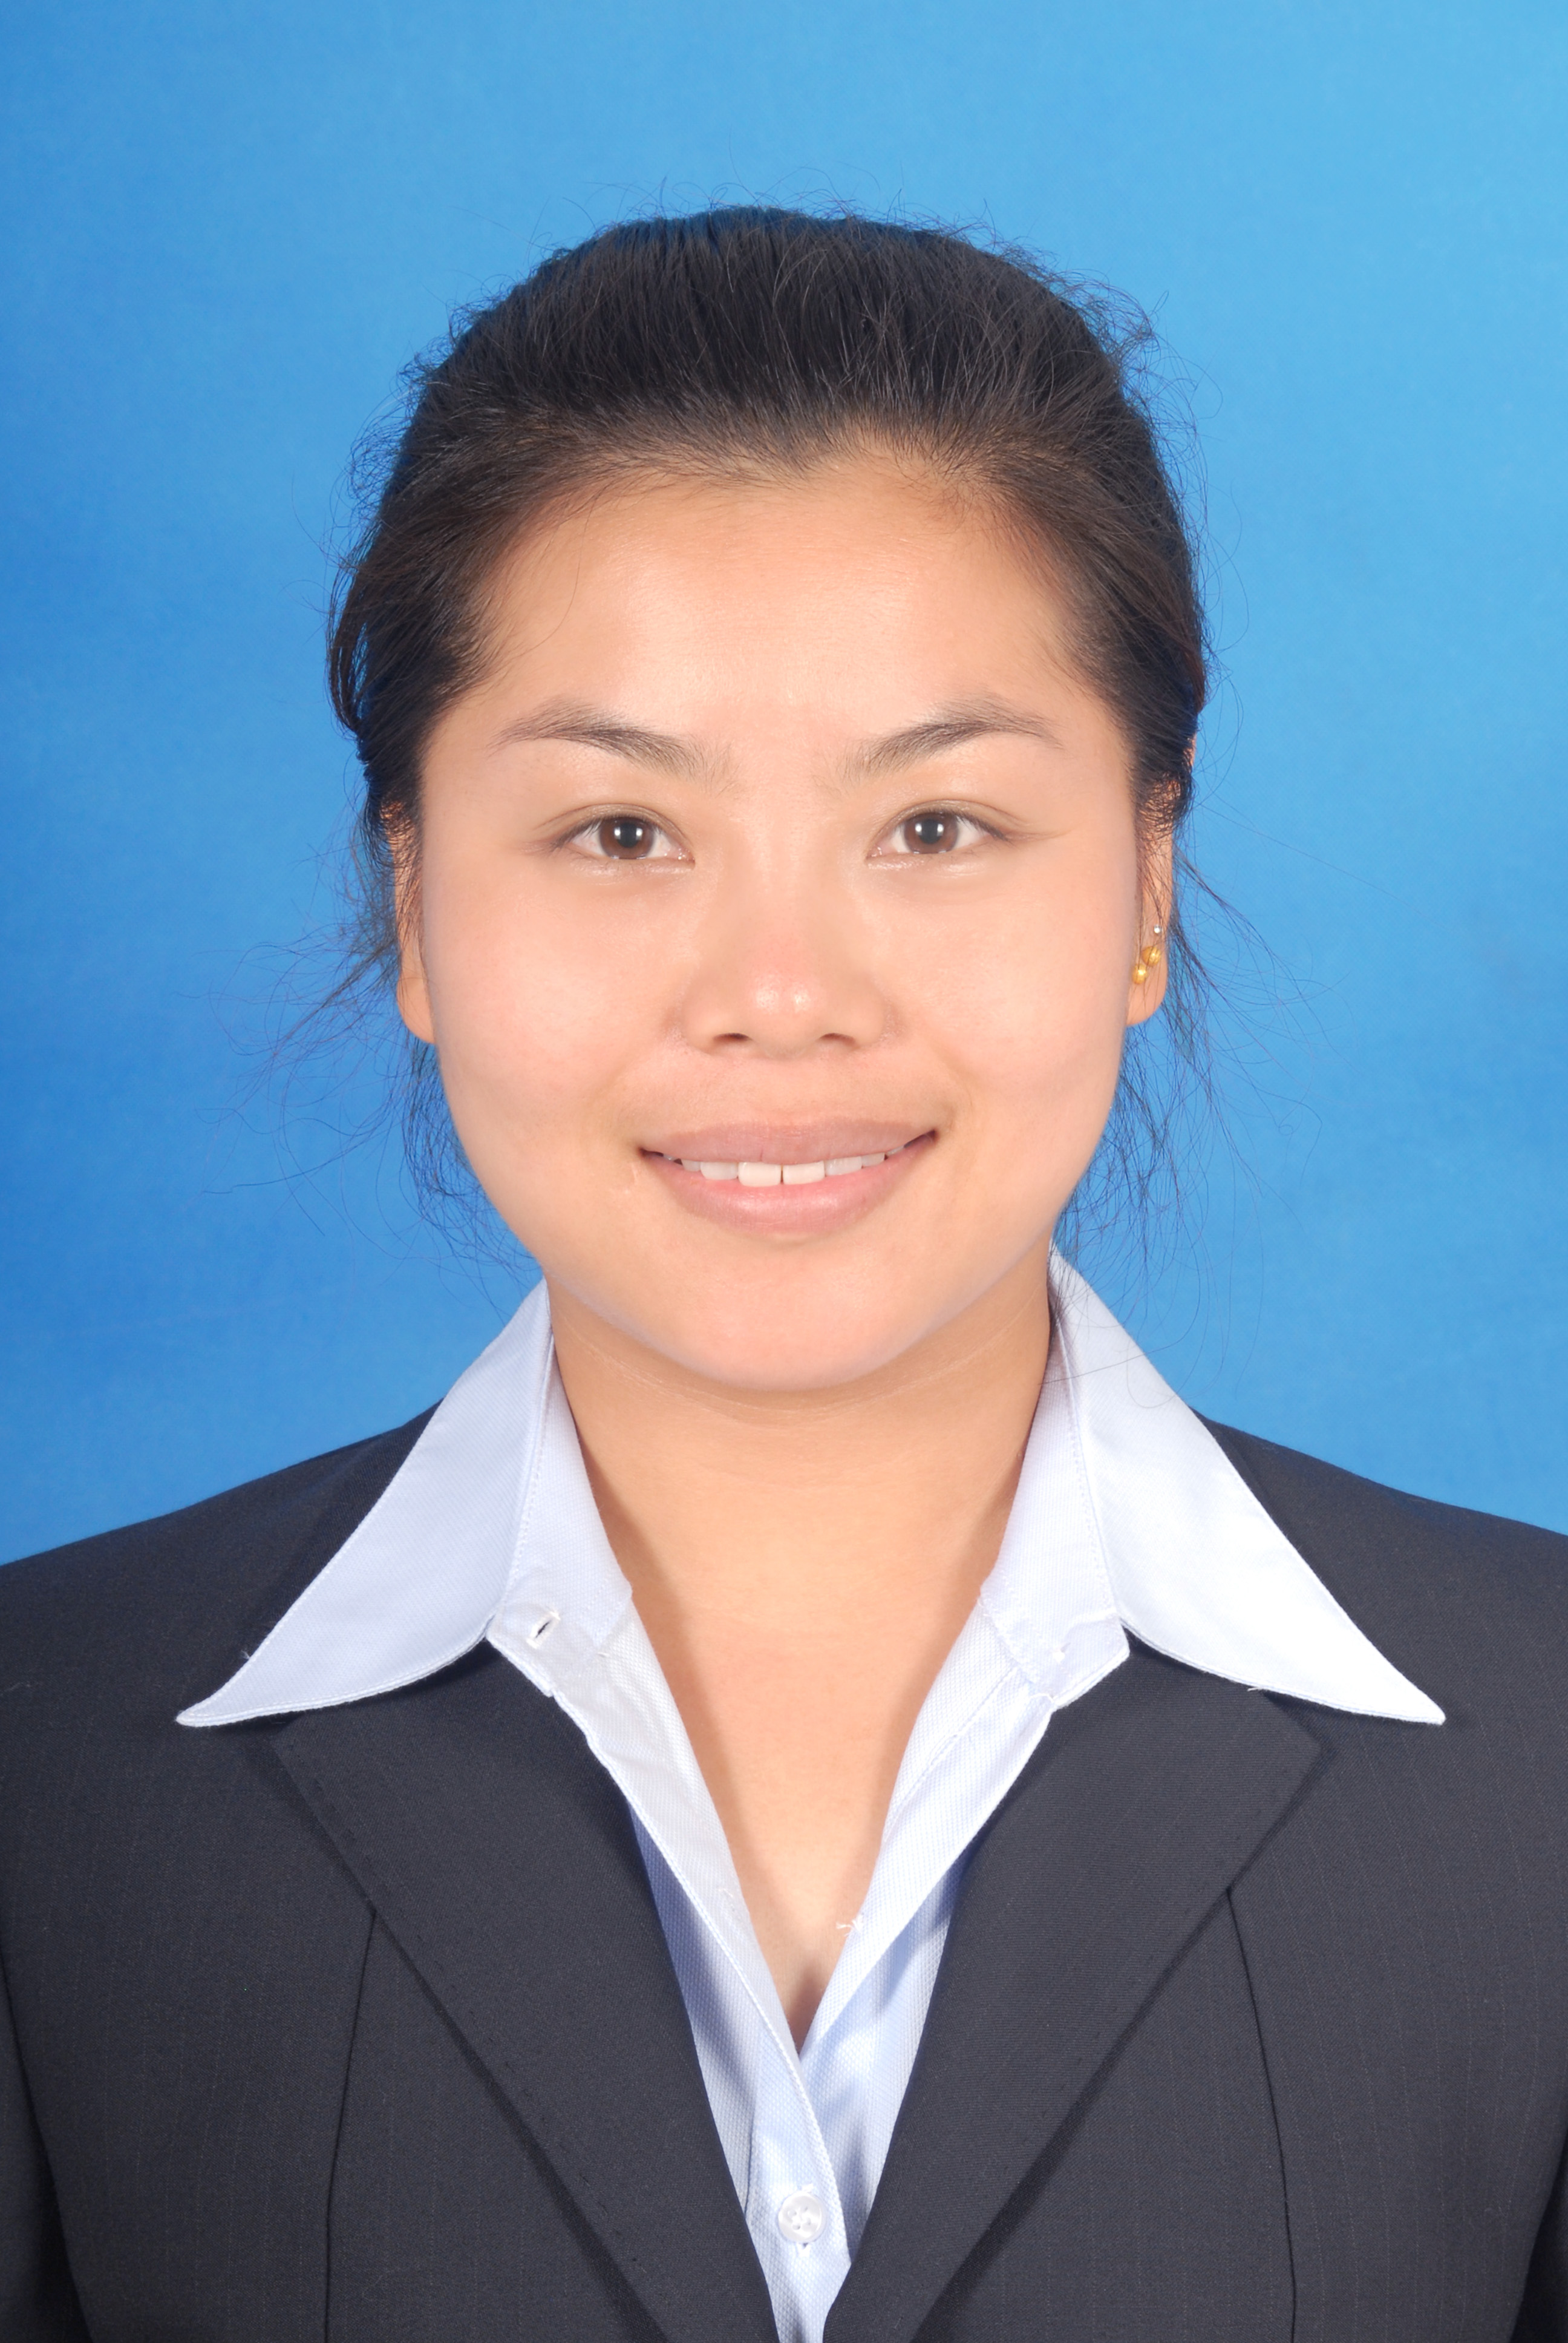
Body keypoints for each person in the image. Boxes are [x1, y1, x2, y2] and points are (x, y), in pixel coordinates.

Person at [2, 208, 1566, 2343]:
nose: (780, 992)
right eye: (621, 834)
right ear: (416, 903)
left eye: (935, 827)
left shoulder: (1541, 1763)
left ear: (1145, 882)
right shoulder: (46, 1771)